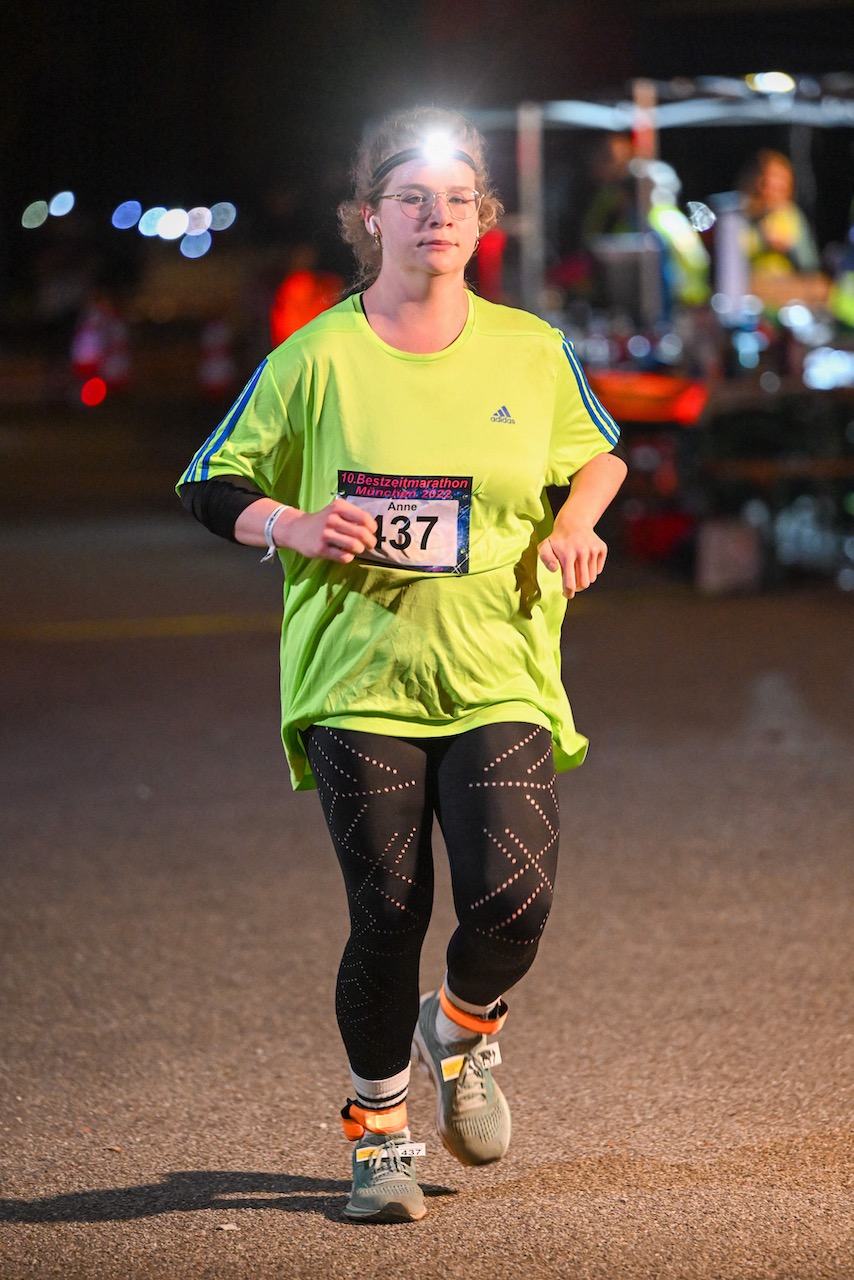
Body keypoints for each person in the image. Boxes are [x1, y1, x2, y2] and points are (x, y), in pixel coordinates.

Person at [177, 106, 627, 1224]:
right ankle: (378, 1130)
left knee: (512, 898)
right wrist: (288, 521)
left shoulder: (529, 346)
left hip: (499, 663)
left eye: (456, 198)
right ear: (367, 215)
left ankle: (461, 1030)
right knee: (387, 906)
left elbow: (600, 451)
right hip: (359, 671)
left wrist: (577, 522)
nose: (436, 215)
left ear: (482, 220)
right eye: (411, 196)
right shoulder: (314, 355)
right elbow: (210, 478)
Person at [738, 149, 820, 277]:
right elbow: (731, 254)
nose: (771, 186)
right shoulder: (740, 214)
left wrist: (789, 247)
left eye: (779, 180)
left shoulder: (791, 215)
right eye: (766, 179)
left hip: (786, 285)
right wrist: (763, 239)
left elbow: (809, 262)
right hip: (748, 284)